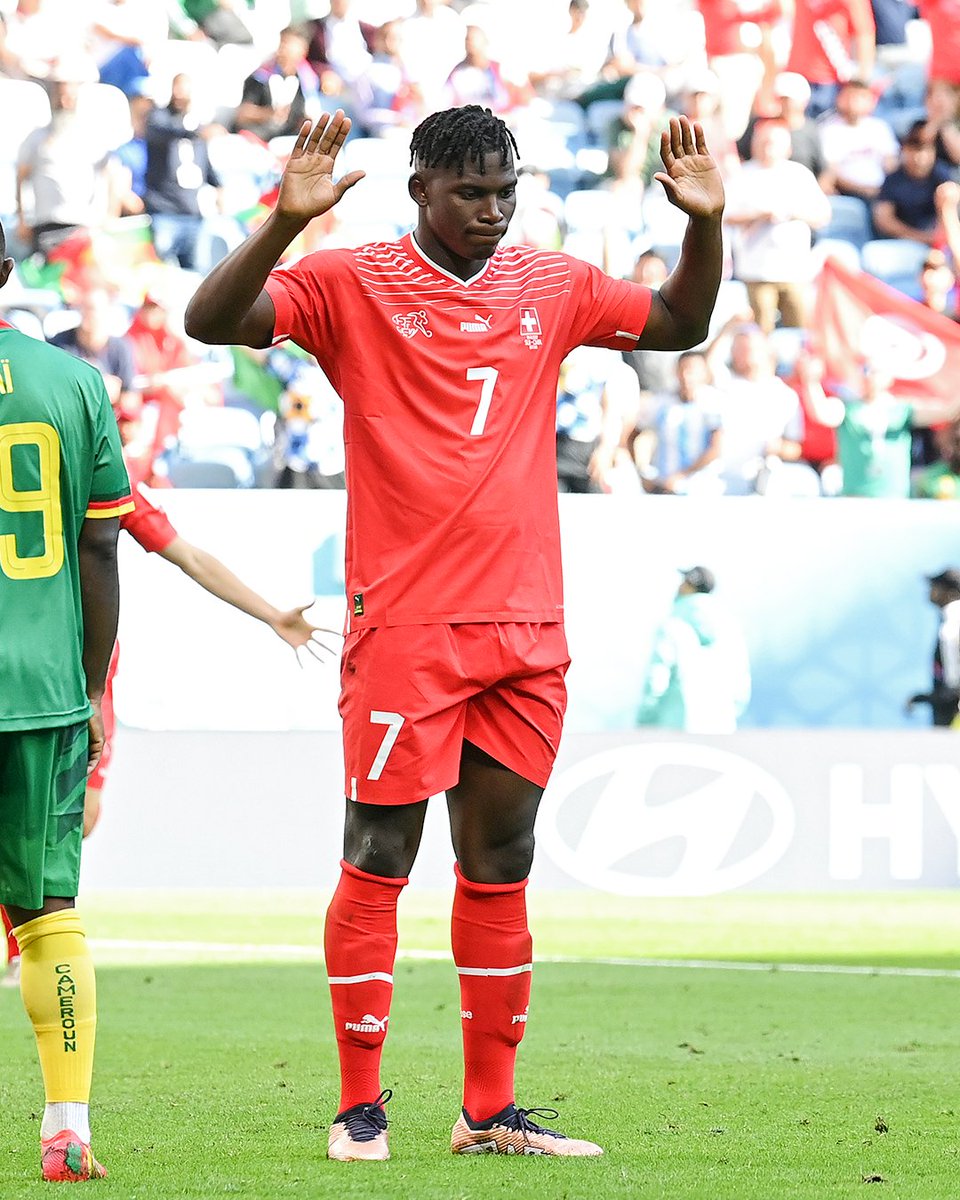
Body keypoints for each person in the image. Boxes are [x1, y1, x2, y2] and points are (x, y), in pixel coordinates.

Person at [183, 102, 724, 1161]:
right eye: (469, 193)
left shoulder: (553, 285)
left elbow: (677, 326)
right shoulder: (350, 281)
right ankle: (358, 1107)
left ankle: (488, 1112)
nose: (490, 212)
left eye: (504, 194)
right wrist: (281, 224)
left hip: (525, 624)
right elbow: (212, 322)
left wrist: (706, 226)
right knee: (380, 850)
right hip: (407, 625)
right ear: (419, 188)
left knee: (504, 858)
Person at [0, 215, 133, 1181]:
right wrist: (90, 690)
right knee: (49, 909)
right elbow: (98, 550)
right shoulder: (74, 381)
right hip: (39, 690)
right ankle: (66, 1126)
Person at [637, 566, 751, 731]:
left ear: (688, 586)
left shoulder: (672, 626)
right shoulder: (731, 631)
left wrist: (645, 721)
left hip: (672, 731)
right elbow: (741, 689)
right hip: (720, 730)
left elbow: (656, 681)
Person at [906, 569, 960, 725]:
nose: (931, 590)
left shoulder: (954, 616)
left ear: (950, 592)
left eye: (936, 586)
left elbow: (954, 683)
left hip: (954, 713)